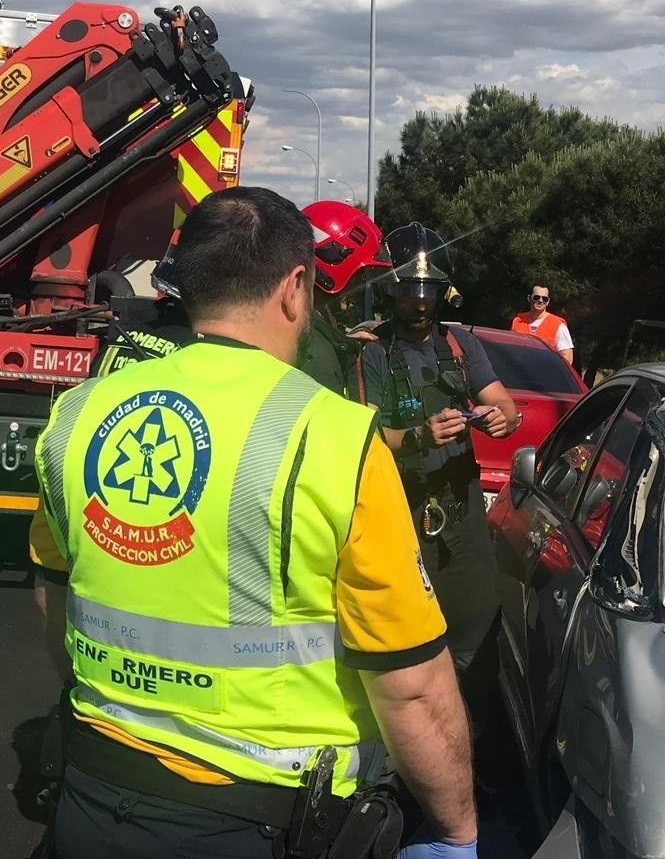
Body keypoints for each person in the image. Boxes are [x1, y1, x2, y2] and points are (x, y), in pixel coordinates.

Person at [27, 187, 477, 859]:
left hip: (95, 789)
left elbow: (55, 597)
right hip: (264, 817)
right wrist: (456, 829)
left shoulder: (81, 413)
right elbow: (409, 683)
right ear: (296, 288)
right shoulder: (335, 438)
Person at [355, 224, 520, 690]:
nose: (421, 300)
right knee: (408, 651)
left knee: (478, 639)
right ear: (392, 286)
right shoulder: (371, 353)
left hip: (462, 516)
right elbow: (363, 438)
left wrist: (503, 418)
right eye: (411, 288)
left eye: (430, 288)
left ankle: (475, 744)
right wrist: (417, 438)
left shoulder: (460, 344)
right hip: (400, 519)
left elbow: (504, 404)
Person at [296, 199, 392, 395]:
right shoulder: (316, 355)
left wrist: (339, 342)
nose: (358, 289)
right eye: (358, 278)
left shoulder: (295, 328)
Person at [510, 284, 575, 368]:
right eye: (536, 297)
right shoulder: (517, 321)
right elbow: (510, 349)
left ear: (548, 302)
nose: (540, 301)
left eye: (544, 299)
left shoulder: (558, 324)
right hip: (519, 373)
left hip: (545, 376)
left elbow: (567, 358)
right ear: (529, 298)